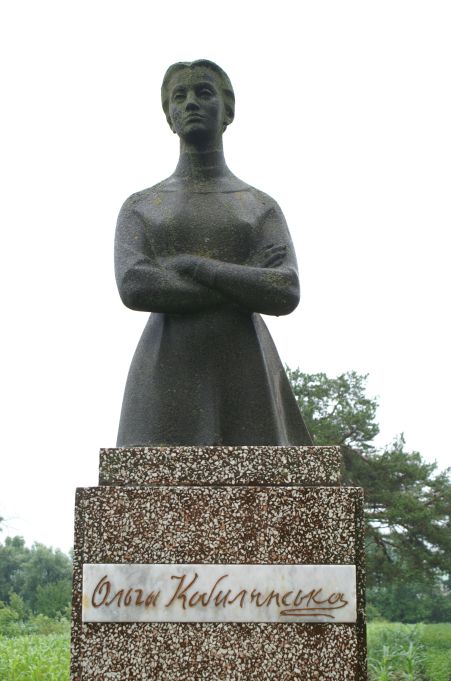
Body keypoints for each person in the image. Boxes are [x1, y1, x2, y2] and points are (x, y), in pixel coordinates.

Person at [115, 60, 312, 447]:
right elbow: (136, 286)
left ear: (228, 110)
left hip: (248, 373)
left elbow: (285, 290)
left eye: (203, 92)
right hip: (165, 372)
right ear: (169, 116)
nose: (190, 103)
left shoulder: (259, 206)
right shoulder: (142, 207)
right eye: (179, 96)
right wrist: (244, 280)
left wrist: (194, 265)